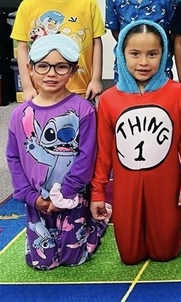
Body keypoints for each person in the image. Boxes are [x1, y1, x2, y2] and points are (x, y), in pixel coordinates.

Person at [89, 20, 181, 265]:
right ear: (121, 54)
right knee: (130, 256)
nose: (144, 62)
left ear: (164, 54)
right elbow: (103, 153)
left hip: (166, 185)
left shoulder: (177, 94)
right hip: (125, 187)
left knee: (165, 253)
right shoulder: (109, 100)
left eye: (152, 54)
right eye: (135, 54)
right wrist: (97, 192)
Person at [6, 34, 108, 269]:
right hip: (36, 199)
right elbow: (13, 157)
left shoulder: (84, 110)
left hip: (72, 196)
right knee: (41, 263)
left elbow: (87, 156)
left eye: (61, 67)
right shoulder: (19, 115)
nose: (51, 73)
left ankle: (95, 225)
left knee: (74, 259)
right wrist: (30, 196)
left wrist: (68, 192)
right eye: (43, 66)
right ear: (30, 69)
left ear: (73, 71)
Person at [11, 0, 105, 101]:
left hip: (80, 87)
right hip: (42, 89)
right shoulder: (27, 6)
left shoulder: (88, 3)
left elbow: (97, 42)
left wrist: (96, 80)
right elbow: (22, 47)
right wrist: (27, 86)